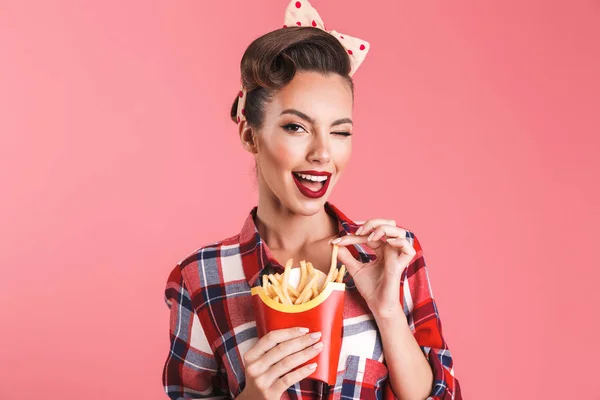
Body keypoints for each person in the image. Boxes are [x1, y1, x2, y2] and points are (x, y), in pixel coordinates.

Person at [162, 1, 462, 399]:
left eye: (340, 132)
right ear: (251, 135)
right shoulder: (202, 278)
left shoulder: (391, 256)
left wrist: (386, 311)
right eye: (296, 127)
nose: (323, 153)